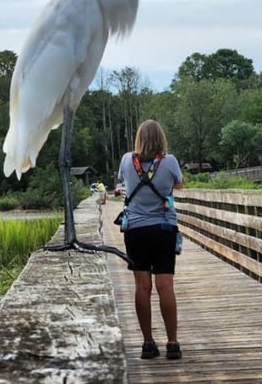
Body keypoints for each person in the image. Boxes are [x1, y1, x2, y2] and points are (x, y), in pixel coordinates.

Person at [117, 119, 184, 360]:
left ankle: (147, 343)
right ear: (161, 138)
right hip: (165, 228)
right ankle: (173, 343)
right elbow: (180, 184)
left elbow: (122, 184)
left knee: (142, 287)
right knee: (165, 287)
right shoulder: (170, 161)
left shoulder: (127, 160)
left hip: (135, 231)